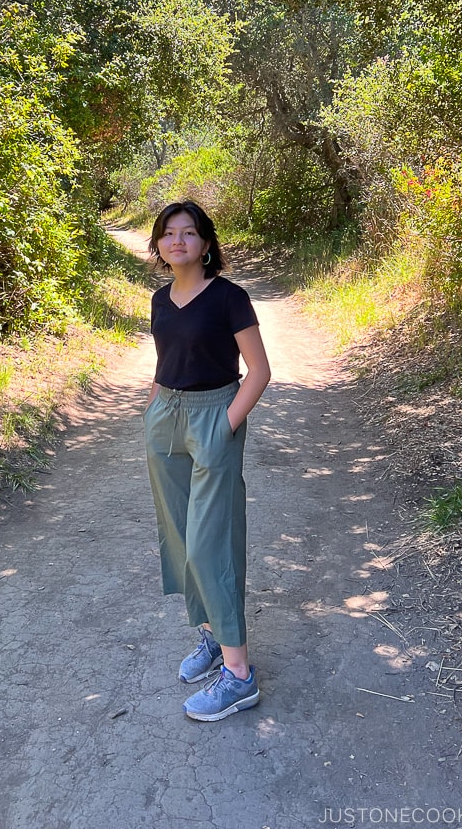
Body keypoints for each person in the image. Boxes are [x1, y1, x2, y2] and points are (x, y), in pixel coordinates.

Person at [143, 200, 271, 721]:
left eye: (189, 233)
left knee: (210, 542)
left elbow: (259, 371)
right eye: (169, 234)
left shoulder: (228, 298)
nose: (178, 241)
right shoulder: (159, 299)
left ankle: (239, 676)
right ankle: (211, 636)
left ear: (206, 243)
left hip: (215, 414)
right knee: (178, 537)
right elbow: (164, 362)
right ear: (158, 246)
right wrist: (151, 410)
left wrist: (224, 427)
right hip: (165, 417)